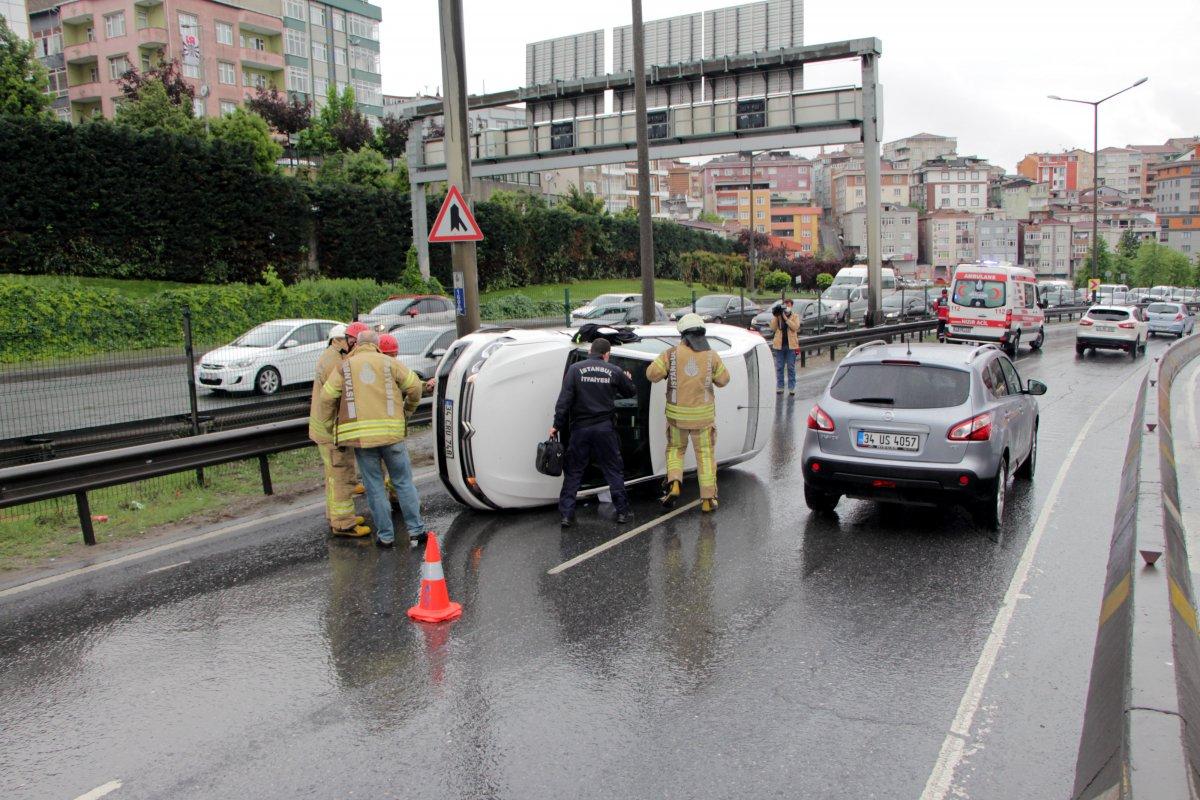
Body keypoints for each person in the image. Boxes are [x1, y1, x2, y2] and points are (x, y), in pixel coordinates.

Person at [313, 329, 431, 549]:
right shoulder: (388, 362)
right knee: (403, 482)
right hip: (392, 435)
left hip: (362, 440)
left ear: (356, 344)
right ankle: (417, 531)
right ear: (377, 345)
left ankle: (386, 537)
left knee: (374, 486)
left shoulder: (345, 366)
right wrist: (408, 410)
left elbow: (327, 397)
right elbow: (414, 386)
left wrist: (331, 426)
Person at [646, 313, 730, 513]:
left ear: (682, 335)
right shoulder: (711, 355)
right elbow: (724, 380)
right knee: (706, 456)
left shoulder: (671, 354)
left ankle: (674, 483)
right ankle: (708, 499)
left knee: (676, 449)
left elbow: (651, 374)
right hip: (703, 419)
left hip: (677, 418)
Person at [550, 337, 637, 528]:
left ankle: (566, 515)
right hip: (604, 429)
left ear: (590, 351)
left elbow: (564, 401)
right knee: (613, 470)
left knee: (574, 471)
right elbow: (630, 392)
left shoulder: (575, 370)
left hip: (580, 429)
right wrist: (628, 379)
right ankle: (622, 512)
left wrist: (556, 425)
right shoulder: (614, 371)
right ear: (607, 354)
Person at [308, 321, 369, 537]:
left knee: (333, 476)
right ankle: (344, 523)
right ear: (339, 340)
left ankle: (334, 515)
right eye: (350, 340)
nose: (353, 344)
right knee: (341, 475)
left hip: (324, 428)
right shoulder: (335, 361)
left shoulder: (330, 355)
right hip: (331, 431)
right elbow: (339, 396)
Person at [768, 298, 801, 396]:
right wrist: (777, 316)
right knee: (779, 367)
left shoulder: (795, 316)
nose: (787, 306)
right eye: (785, 304)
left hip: (791, 346)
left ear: (792, 305)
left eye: (789, 304)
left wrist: (786, 319)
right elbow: (773, 328)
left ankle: (791, 388)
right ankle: (780, 387)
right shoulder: (778, 317)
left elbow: (795, 327)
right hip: (779, 346)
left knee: (791, 367)